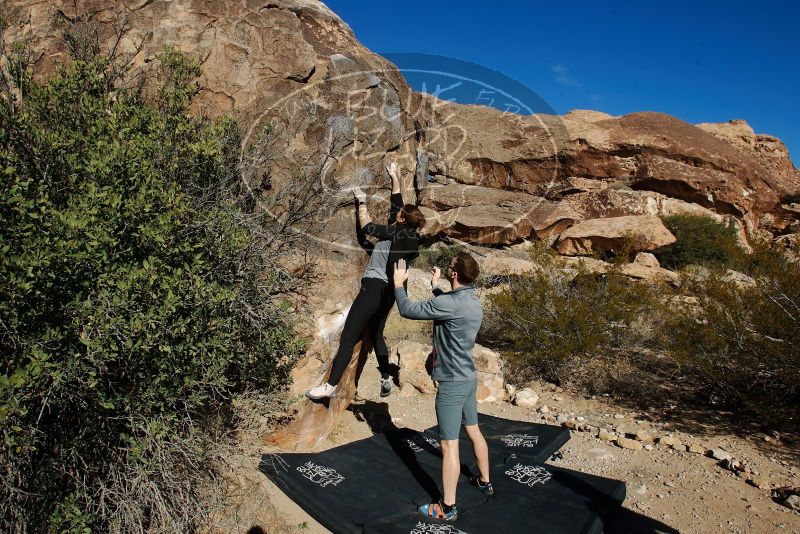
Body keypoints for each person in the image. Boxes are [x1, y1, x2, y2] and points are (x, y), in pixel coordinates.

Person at [306, 162, 426, 400]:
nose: (397, 214)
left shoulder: (396, 232)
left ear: (402, 221)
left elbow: (368, 227)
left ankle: (329, 386)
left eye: (399, 215)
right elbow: (398, 205)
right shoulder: (407, 235)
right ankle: (384, 377)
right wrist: (394, 177)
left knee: (349, 335)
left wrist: (361, 200)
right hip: (390, 294)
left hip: (373, 287)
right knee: (377, 333)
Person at [392, 252, 493, 523]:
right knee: (473, 430)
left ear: (456, 274)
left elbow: (408, 310)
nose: (447, 268)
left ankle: (447, 507)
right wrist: (436, 284)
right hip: (469, 378)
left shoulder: (450, 303)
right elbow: (448, 303)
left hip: (451, 383)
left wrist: (398, 284)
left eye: (449, 267)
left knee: (449, 446)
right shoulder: (472, 300)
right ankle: (485, 481)